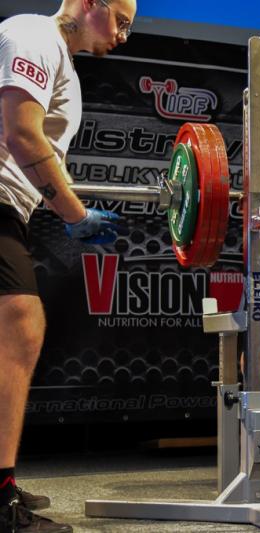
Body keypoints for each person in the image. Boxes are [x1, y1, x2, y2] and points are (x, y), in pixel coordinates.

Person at [0, 0, 135, 531]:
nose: (122, 36)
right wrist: (76, 216)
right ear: (90, 2)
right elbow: (22, 134)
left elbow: (43, 154)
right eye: (121, 21)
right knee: (21, 324)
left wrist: (68, 204)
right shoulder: (34, 35)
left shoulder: (63, 63)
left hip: (12, 208)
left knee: (14, 328)